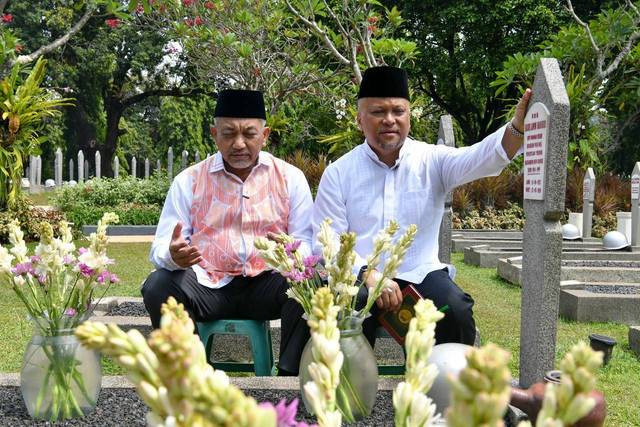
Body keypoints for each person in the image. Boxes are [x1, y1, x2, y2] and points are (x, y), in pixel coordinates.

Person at [312, 66, 531, 348]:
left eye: (398, 111)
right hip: (360, 279)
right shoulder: (339, 172)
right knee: (339, 318)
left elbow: (484, 157)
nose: (389, 120)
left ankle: (446, 391)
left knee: (456, 311)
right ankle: (348, 390)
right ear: (359, 119)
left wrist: (517, 128)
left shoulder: (433, 160)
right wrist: (369, 275)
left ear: (409, 117)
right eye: (378, 112)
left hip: (419, 275)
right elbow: (327, 242)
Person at [142, 89, 313, 376]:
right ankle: (193, 378)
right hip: (208, 285)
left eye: (249, 133)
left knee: (311, 282)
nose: (239, 144)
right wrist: (174, 256)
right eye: (228, 133)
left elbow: (307, 243)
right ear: (214, 133)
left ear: (265, 134)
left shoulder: (290, 178)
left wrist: (289, 254)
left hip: (267, 284)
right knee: (158, 285)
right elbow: (161, 246)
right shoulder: (189, 180)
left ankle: (288, 378)